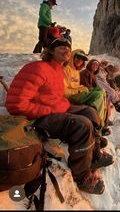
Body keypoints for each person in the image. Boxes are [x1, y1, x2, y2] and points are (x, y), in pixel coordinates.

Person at [5, 38, 113, 195]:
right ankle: (82, 177)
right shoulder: (37, 68)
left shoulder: (58, 71)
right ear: (50, 51)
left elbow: (53, 96)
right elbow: (15, 104)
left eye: (68, 49)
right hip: (37, 119)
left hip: (55, 111)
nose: (67, 51)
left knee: (90, 112)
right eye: (61, 47)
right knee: (82, 125)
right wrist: (49, 110)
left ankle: (94, 154)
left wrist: (61, 105)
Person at [64, 51, 110, 136]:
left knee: (102, 92)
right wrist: (82, 89)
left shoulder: (76, 71)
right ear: (73, 57)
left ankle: (102, 123)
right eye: (77, 57)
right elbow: (65, 91)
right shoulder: (68, 70)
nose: (79, 60)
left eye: (82, 59)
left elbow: (78, 86)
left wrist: (82, 89)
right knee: (98, 94)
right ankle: (99, 126)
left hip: (76, 94)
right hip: (71, 96)